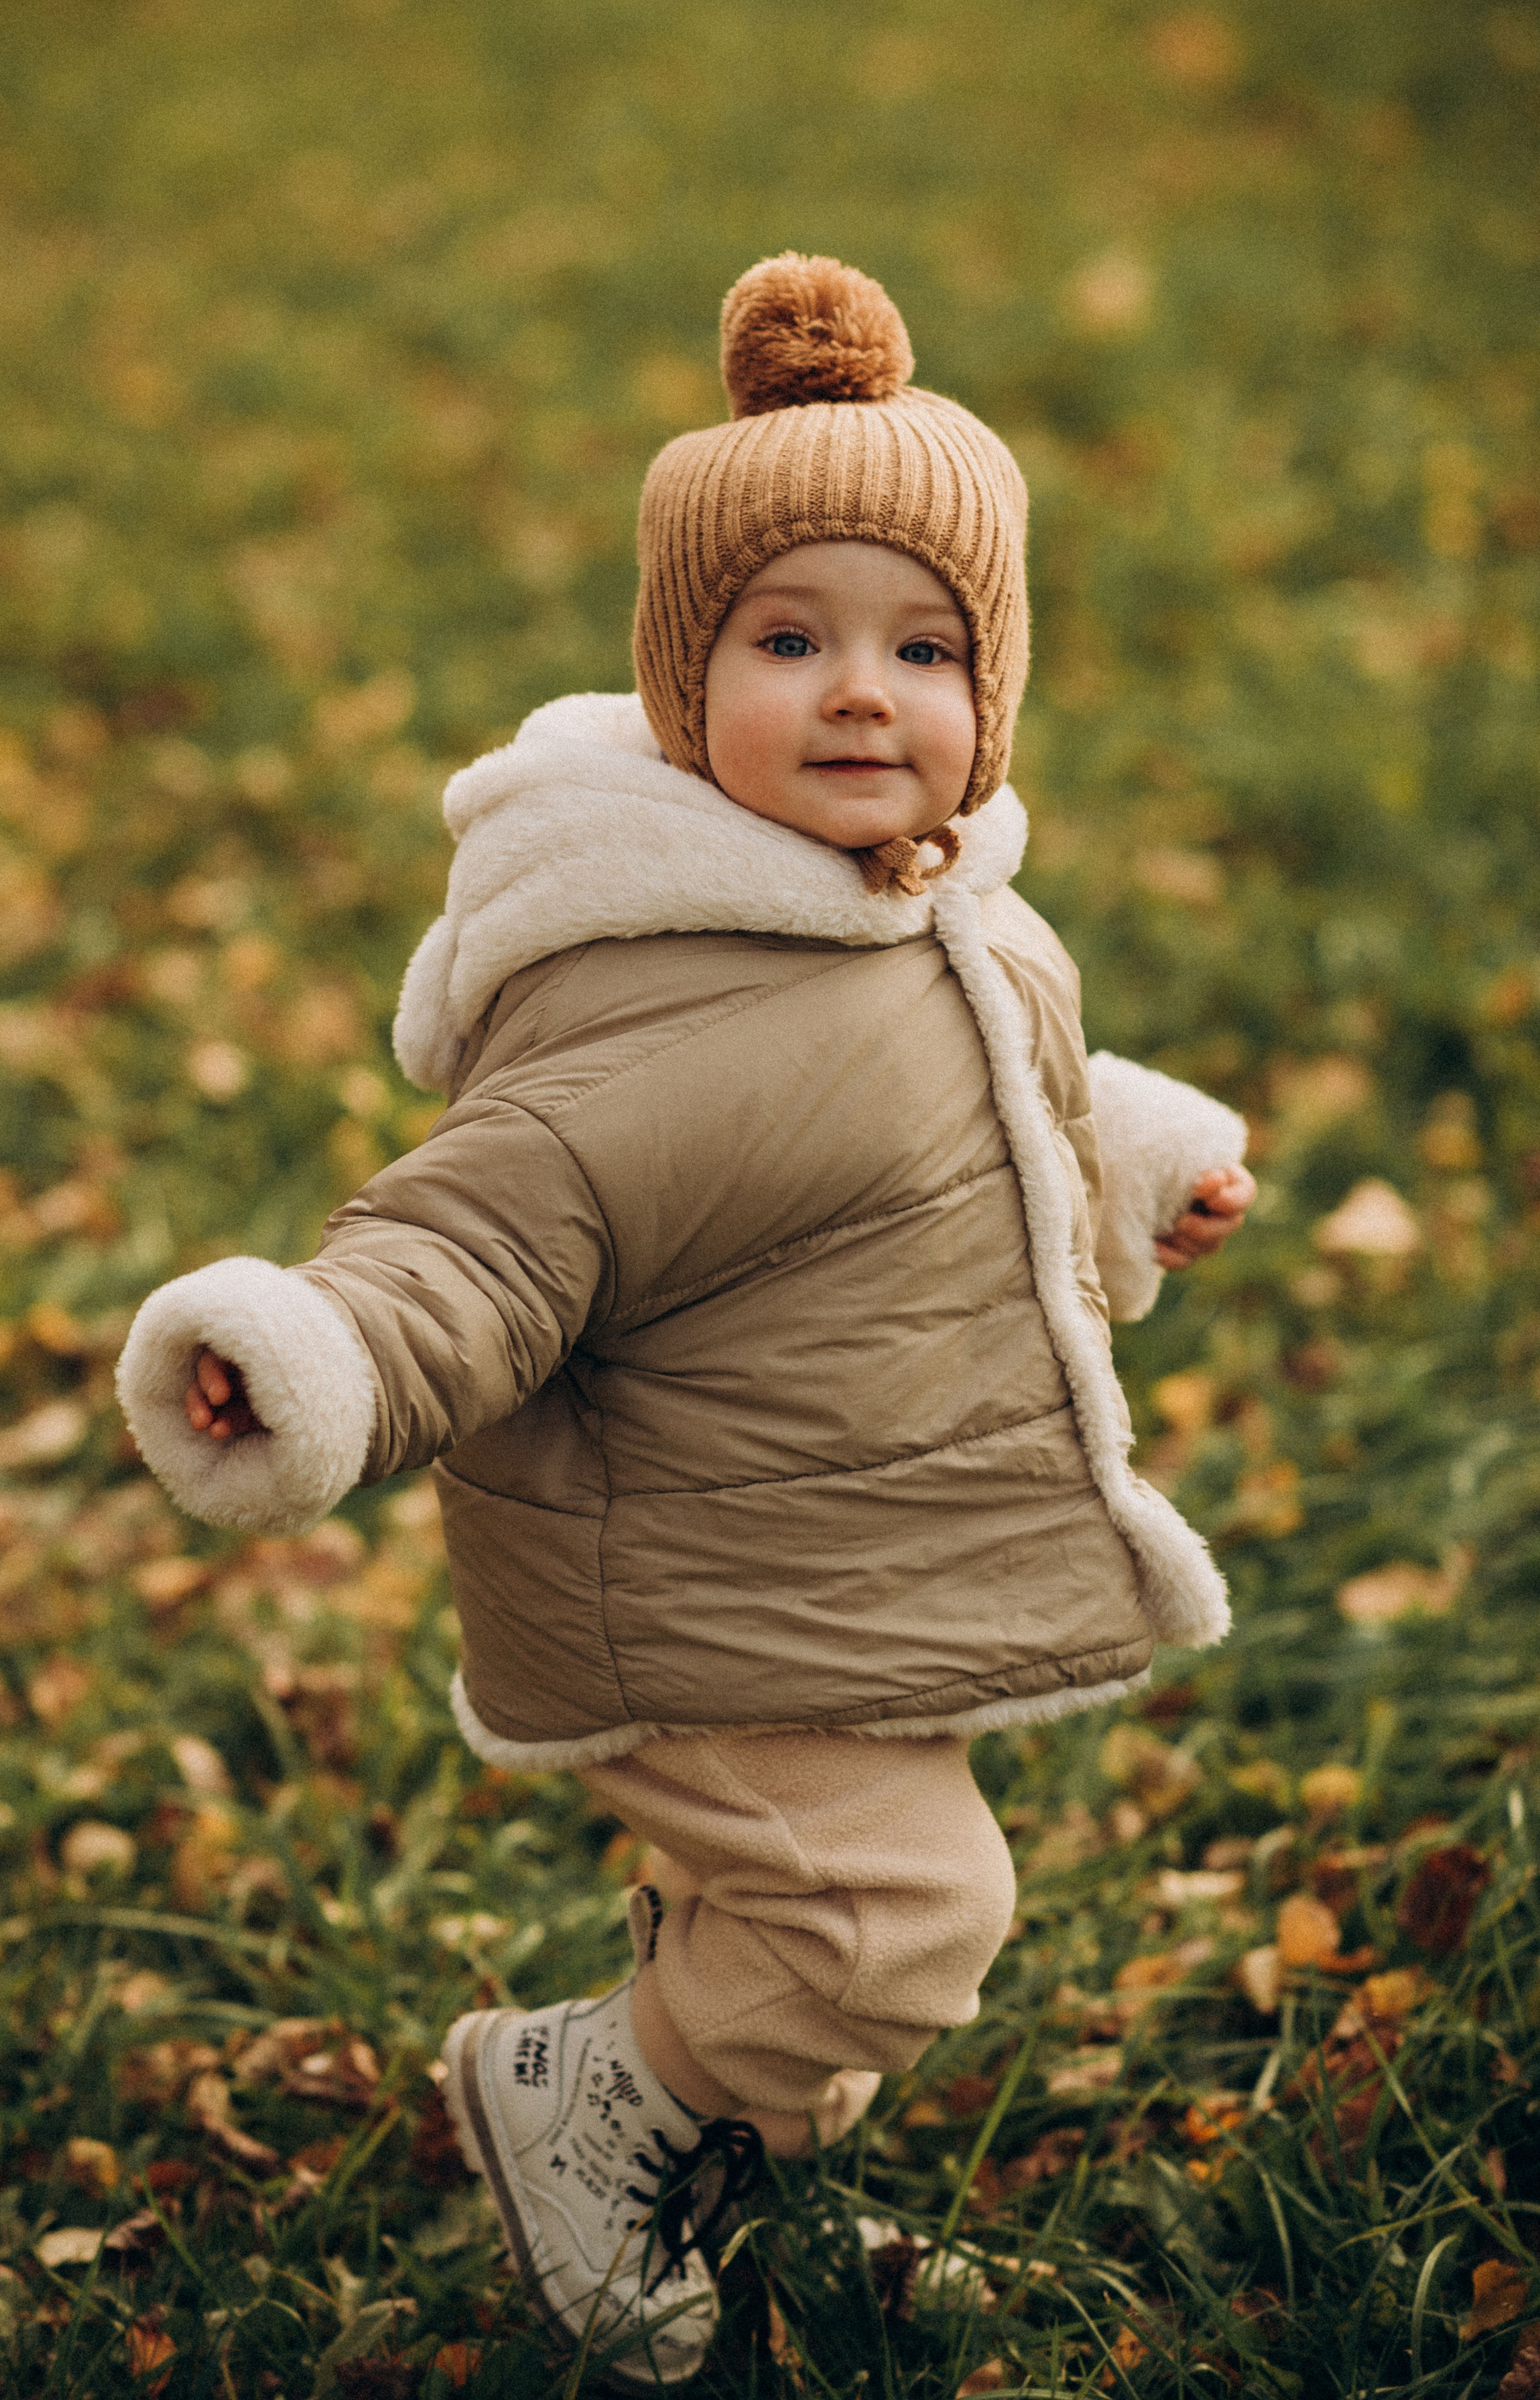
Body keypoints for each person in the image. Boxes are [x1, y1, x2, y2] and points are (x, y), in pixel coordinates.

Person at [118, 254, 1255, 2389]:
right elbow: (481, 1235)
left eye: (922, 647)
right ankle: (583, 2102)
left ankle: (733, 2179)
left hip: (825, 1554)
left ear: (988, 695)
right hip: (688, 1582)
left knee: (836, 1920)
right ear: (680, 685)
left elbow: (977, 1116)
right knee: (894, 1918)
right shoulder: (656, 994)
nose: (859, 694)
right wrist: (320, 1351)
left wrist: (1126, 1165)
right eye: (787, 639)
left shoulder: (941, 913)